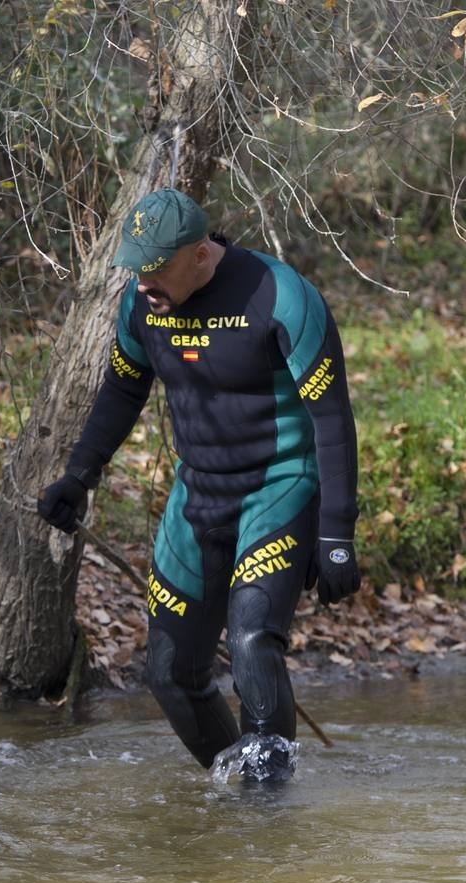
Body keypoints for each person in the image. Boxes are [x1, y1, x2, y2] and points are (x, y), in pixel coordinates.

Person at [38, 188, 361, 781]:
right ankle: (237, 790)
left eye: (155, 269)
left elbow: (332, 419)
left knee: (252, 643)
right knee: (170, 673)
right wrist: (79, 476)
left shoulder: (280, 296)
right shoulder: (142, 304)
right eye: (135, 270)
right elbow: (123, 388)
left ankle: (265, 820)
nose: (141, 285)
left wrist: (336, 533)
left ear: (201, 256)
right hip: (198, 496)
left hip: (280, 485)